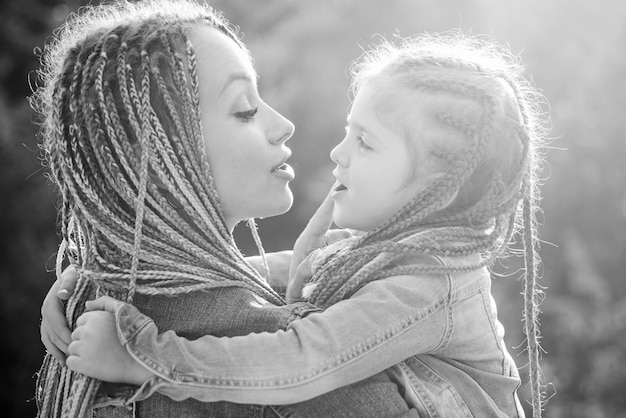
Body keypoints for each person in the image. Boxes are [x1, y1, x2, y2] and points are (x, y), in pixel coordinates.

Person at [50, 27, 549, 418]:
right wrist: (103, 280)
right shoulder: (388, 251)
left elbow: (303, 358)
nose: (337, 152)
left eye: (366, 143)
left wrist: (145, 357)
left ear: (442, 187)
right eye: (244, 109)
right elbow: (300, 266)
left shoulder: (426, 285)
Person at [33, 0, 423, 417]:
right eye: (245, 110)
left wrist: (92, 270)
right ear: (160, 156)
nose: (283, 125)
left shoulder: (88, 318)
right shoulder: (288, 362)